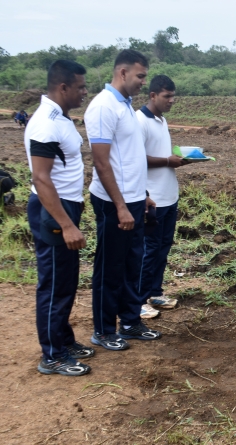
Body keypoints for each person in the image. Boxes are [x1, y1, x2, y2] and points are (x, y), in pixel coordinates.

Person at [84, 49, 161, 351]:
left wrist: (143, 196)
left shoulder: (125, 106)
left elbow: (128, 158)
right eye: (140, 76)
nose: (143, 81)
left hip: (133, 200)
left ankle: (130, 322)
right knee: (110, 268)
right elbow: (102, 162)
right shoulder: (104, 107)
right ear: (123, 72)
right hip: (113, 203)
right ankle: (103, 330)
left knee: (132, 264)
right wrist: (119, 206)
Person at [24, 60, 92, 376]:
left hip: (65, 206)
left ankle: (63, 340)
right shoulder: (45, 124)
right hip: (53, 211)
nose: (85, 91)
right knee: (54, 285)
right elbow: (41, 178)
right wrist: (66, 224)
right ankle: (52, 355)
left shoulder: (61, 118)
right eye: (80, 86)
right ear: (63, 87)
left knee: (65, 280)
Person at [136, 75, 186, 318]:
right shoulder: (139, 121)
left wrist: (177, 160)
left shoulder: (161, 120)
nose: (171, 100)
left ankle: (155, 292)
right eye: (167, 96)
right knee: (149, 250)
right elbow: (136, 158)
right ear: (153, 95)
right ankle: (138, 300)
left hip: (169, 196)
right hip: (152, 198)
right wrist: (168, 161)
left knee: (163, 248)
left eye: (173, 96)